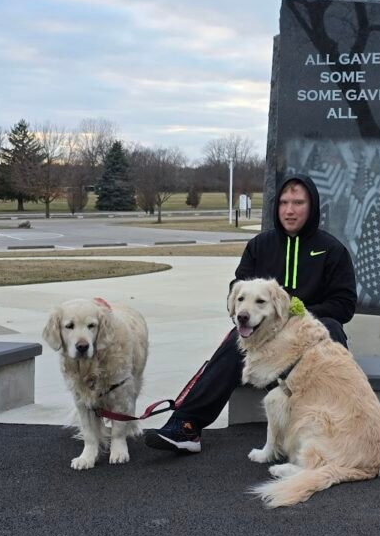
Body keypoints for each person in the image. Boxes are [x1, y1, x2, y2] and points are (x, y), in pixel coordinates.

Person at [145, 174, 357, 454]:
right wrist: (245, 309)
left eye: (298, 203)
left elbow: (344, 304)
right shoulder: (260, 245)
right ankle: (186, 425)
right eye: (283, 203)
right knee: (235, 340)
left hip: (308, 331)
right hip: (265, 332)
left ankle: (341, 425)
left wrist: (298, 313)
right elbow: (239, 287)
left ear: (312, 206)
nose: (289, 210)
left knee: (332, 328)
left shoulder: (332, 250)